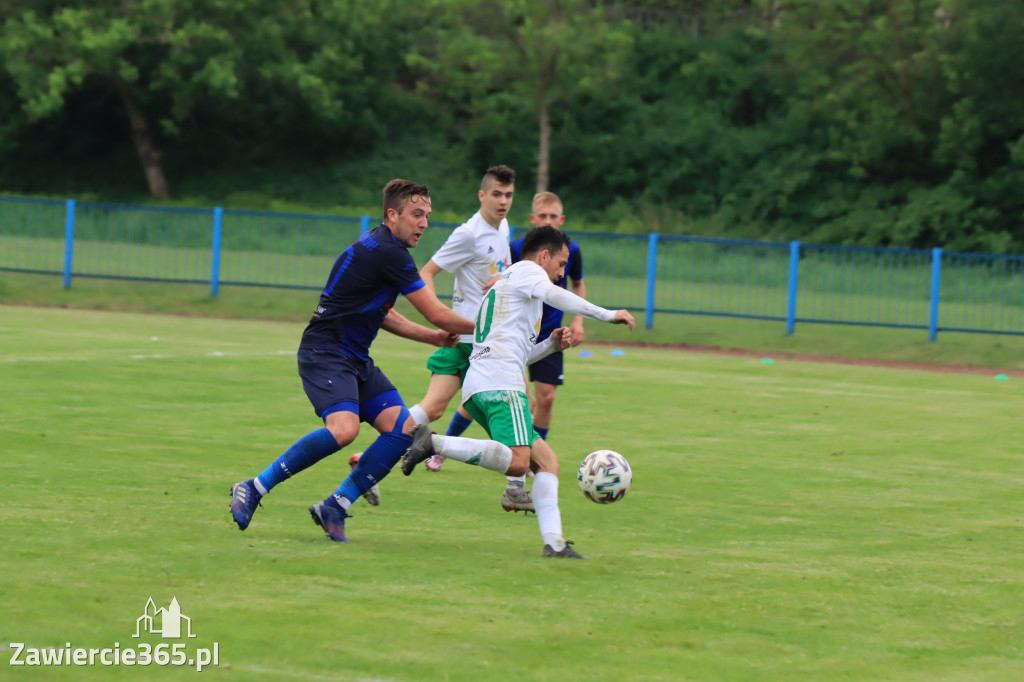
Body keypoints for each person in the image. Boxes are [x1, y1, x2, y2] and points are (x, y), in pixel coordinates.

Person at [229, 179, 475, 542]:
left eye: (427, 216)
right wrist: (492, 327)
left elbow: (383, 314)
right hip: (325, 352)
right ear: (393, 215)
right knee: (344, 430)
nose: (424, 223)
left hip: (354, 357)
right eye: (416, 215)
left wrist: (433, 338)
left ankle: (336, 505)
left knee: (403, 430)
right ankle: (254, 486)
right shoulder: (390, 253)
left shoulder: (379, 244)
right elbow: (437, 313)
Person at [401, 226, 636, 558]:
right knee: (518, 463)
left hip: (483, 384)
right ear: (543, 256)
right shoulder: (527, 272)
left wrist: (552, 345)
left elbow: (518, 354)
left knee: (547, 463)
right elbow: (560, 296)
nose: (563, 272)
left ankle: (554, 544)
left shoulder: (510, 283)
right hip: (500, 385)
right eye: (561, 262)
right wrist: (607, 314)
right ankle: (433, 443)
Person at [406, 165, 535, 513]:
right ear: (482, 195)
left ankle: (515, 489)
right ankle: (516, 488)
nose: (503, 201)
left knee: (522, 401)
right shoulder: (469, 234)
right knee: (433, 409)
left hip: (488, 341)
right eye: (496, 194)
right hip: (469, 341)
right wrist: (438, 316)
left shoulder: (503, 226)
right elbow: (427, 272)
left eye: (508, 195)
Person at [509, 191, 585, 444]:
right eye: (543, 216)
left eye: (553, 216)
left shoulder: (571, 250)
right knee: (523, 400)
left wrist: (577, 321)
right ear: (533, 218)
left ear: (561, 219)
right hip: (518, 331)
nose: (548, 221)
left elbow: (578, 285)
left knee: (547, 399)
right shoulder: (517, 248)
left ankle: (531, 452)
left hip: (550, 332)